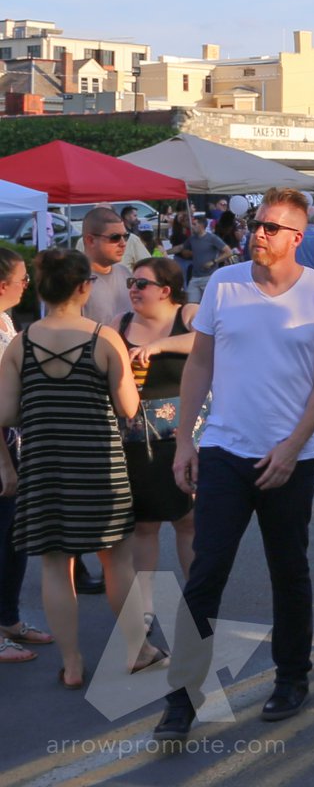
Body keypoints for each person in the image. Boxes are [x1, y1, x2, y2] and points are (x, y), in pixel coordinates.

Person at [155, 187, 314, 735]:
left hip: (290, 459)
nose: (257, 233)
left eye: (270, 227)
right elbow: (199, 366)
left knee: (289, 572)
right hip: (223, 451)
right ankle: (182, 697)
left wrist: (292, 446)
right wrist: (185, 441)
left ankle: (292, 676)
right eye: (255, 223)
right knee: (206, 573)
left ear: (298, 237)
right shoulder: (224, 283)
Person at [0, 248, 152, 688]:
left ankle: (71, 664)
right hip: (99, 466)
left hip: (44, 466)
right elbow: (128, 407)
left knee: (54, 565)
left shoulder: (21, 344)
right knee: (116, 560)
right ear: (84, 286)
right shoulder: (105, 339)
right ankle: (135, 650)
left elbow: (6, 413)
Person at [117, 257, 200, 583]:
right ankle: (143, 610)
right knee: (144, 526)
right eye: (131, 284)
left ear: (166, 290)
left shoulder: (188, 314)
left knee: (190, 522)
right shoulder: (120, 322)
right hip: (136, 444)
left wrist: (158, 345)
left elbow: (212, 339)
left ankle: (198, 604)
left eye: (141, 284)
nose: (133, 290)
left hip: (188, 441)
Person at [0, 250, 46, 664]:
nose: (26, 284)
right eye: (22, 277)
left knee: (14, 538)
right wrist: (3, 463)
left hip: (15, 442)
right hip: (2, 447)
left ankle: (9, 618)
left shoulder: (6, 321)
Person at [80, 206, 136, 327]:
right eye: (115, 237)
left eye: (125, 236)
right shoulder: (74, 281)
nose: (123, 243)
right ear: (91, 240)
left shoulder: (125, 273)